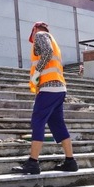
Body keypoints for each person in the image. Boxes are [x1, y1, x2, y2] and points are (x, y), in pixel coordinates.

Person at [12, 21, 78, 175]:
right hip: (59, 88)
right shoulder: (53, 40)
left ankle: (33, 163)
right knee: (58, 125)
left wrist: (37, 73)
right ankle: (70, 161)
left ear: (35, 29)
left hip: (48, 88)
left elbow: (46, 53)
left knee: (38, 122)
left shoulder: (40, 35)